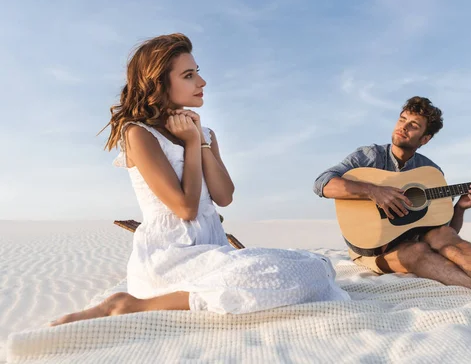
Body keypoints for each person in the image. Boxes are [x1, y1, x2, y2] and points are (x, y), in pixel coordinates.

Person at [51, 33, 349, 326]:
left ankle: (186, 295)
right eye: (189, 75)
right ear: (159, 83)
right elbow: (185, 209)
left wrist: (200, 141)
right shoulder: (139, 133)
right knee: (282, 278)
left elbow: (224, 196)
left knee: (316, 267)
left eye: (198, 73)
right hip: (169, 257)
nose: (202, 83)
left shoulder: (204, 133)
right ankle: (131, 305)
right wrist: (191, 145)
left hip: (211, 251)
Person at [313, 96, 471, 296]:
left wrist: (460, 208)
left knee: (439, 234)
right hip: (372, 249)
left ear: (425, 139)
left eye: (413, 126)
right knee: (416, 251)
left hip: (419, 235)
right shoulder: (369, 156)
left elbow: (445, 231)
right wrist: (374, 190)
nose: (403, 127)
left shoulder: (430, 172)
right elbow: (322, 184)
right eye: (402, 120)